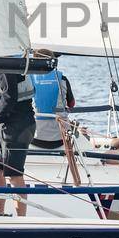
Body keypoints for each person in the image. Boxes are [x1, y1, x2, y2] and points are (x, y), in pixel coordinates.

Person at [0, 66, 37, 216]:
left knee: (14, 174)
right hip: (6, 125)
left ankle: (22, 221)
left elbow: (10, 95)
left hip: (18, 124)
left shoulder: (5, 66)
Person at [28, 54, 81, 185]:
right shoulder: (62, 78)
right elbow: (72, 104)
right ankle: (76, 181)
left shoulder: (27, 78)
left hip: (34, 138)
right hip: (60, 139)